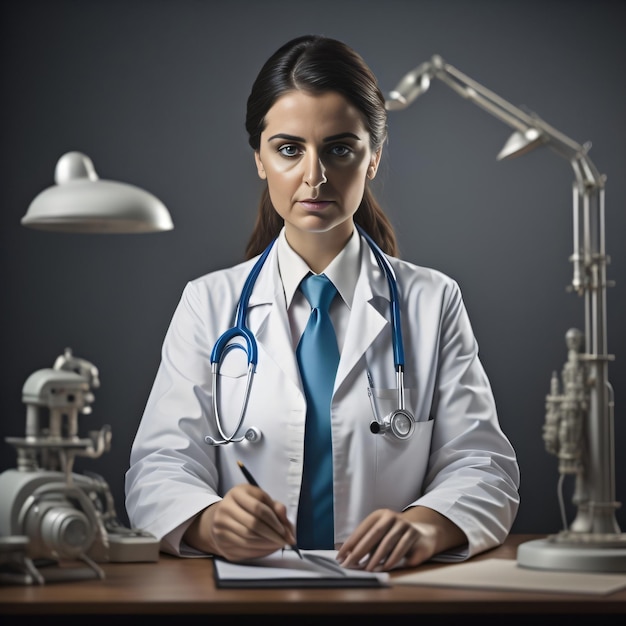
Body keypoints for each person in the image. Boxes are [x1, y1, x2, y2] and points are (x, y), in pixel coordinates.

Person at [124, 34, 520, 572]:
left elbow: (484, 465)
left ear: (374, 157)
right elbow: (158, 467)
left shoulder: (432, 302)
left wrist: (424, 527)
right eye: (289, 149)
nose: (315, 176)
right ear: (260, 159)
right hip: (249, 595)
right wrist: (212, 521)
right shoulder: (207, 304)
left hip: (391, 596)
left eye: (339, 148)